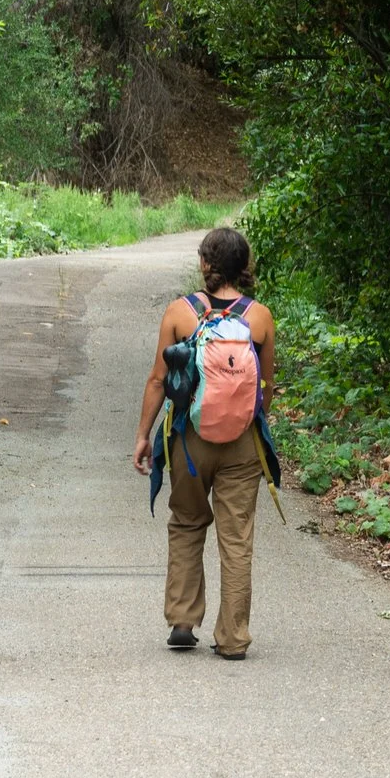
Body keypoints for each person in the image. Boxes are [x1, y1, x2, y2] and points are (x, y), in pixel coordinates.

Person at [132, 227, 277, 660]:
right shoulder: (260, 318)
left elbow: (158, 380)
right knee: (237, 538)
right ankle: (233, 638)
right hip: (243, 444)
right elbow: (266, 388)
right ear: (244, 266)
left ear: (204, 263)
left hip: (189, 441)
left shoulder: (181, 313)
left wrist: (143, 435)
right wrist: (243, 419)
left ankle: (182, 619)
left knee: (187, 521)